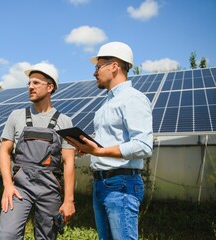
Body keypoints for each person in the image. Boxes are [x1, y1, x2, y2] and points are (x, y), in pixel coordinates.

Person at [66, 41, 153, 240]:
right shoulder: (107, 103)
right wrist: (89, 147)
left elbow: (144, 145)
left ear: (114, 66)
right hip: (102, 184)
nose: (94, 73)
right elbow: (110, 139)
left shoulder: (132, 99)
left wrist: (99, 152)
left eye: (97, 67)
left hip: (121, 184)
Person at [0, 62, 76, 239]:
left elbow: (69, 162)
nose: (30, 87)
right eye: (29, 83)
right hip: (20, 188)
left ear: (50, 87)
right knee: (7, 235)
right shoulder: (16, 116)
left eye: (36, 83)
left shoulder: (64, 121)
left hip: (49, 188)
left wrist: (69, 199)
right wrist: (7, 185)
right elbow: (4, 151)